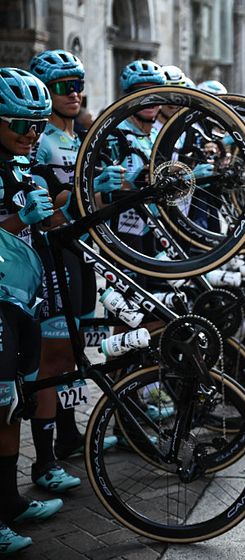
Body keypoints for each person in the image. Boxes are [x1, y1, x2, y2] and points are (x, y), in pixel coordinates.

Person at [28, 49, 122, 478]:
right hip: (52, 255)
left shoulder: (78, 138)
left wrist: (108, 189)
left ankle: (69, 434)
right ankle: (45, 460)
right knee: (53, 356)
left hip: (83, 253)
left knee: (74, 352)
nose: (75, 93)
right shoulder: (39, 141)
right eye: (65, 86)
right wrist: (88, 192)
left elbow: (91, 203)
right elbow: (49, 209)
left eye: (79, 83)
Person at [0, 67, 64, 556]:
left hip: (22, 298)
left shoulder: (24, 166)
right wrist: (20, 217)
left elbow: (56, 220)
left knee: (11, 407)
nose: (31, 135)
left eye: (39, 126)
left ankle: (8, 500)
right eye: (20, 125)